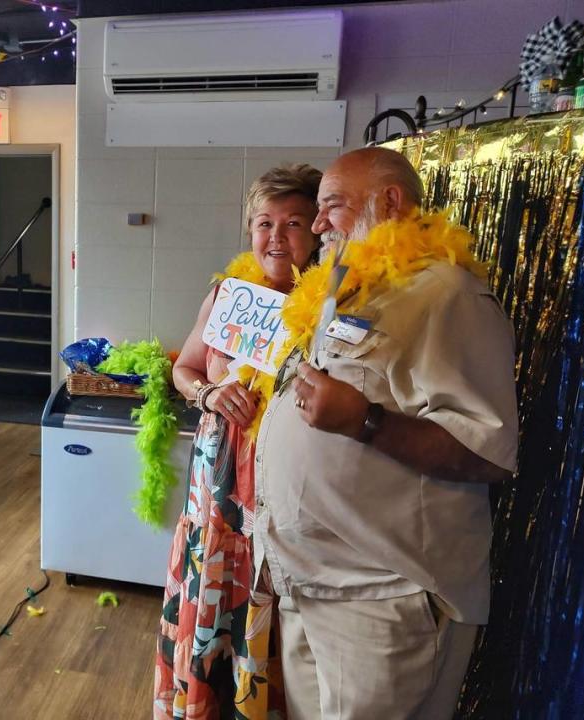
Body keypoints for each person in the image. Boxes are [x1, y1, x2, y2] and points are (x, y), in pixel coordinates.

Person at [254, 147, 519, 719]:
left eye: (331, 206)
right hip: (308, 584)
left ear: (390, 201)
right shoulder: (344, 289)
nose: (318, 223)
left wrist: (365, 421)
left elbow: (489, 454)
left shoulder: (447, 294)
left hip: (381, 599)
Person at [154, 165, 323, 719]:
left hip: (279, 491)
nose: (276, 237)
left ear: (318, 229)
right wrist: (207, 394)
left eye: (293, 223)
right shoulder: (229, 295)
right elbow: (185, 368)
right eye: (263, 222)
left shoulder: (332, 306)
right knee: (213, 601)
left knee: (270, 610)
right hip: (216, 486)